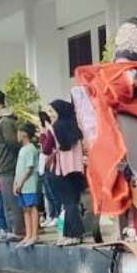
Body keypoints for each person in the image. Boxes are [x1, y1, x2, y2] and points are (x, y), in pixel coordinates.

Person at [46, 99, 93, 246]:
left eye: (52, 111)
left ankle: (73, 235)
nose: (51, 114)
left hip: (63, 169)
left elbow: (47, 148)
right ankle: (73, 234)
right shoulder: (76, 128)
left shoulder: (56, 127)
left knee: (68, 203)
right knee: (73, 201)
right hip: (78, 169)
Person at [0, 90, 23, 241]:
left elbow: (12, 143)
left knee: (11, 201)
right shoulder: (0, 120)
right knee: (6, 201)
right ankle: (11, 230)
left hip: (9, 166)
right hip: (4, 166)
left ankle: (17, 231)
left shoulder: (5, 121)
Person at [13, 123, 40, 248]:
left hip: (29, 185)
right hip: (21, 185)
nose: (17, 135)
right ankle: (28, 234)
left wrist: (21, 183)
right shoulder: (22, 149)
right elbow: (19, 169)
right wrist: (16, 183)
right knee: (25, 209)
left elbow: (29, 169)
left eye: (18, 132)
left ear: (24, 134)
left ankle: (34, 234)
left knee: (32, 208)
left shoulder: (30, 149)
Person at [37, 110, 61, 228]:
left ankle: (57, 215)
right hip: (43, 163)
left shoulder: (51, 130)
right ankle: (50, 216)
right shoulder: (46, 130)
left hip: (51, 163)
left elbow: (47, 148)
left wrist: (43, 134)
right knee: (47, 192)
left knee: (53, 192)